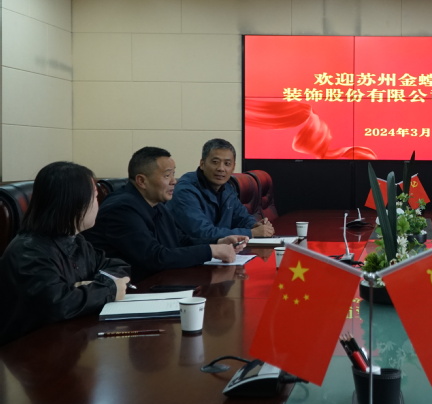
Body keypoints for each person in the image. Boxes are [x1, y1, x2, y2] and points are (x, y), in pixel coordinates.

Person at [0, 162, 131, 345]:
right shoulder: (29, 251)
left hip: (65, 341)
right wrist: (109, 289)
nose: (98, 204)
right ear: (74, 203)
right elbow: (59, 304)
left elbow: (116, 266)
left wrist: (93, 285)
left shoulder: (74, 240)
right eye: (94, 197)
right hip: (28, 351)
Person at [84, 147, 247, 282]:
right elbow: (155, 257)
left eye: (173, 174)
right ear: (142, 181)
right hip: (128, 292)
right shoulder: (121, 209)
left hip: (158, 282)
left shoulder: (157, 205)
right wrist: (211, 251)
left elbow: (180, 240)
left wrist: (218, 241)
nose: (174, 181)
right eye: (167, 175)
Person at [169, 138, 274, 242]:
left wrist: (255, 225)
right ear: (202, 164)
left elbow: (242, 217)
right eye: (215, 162)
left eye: (227, 164)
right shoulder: (186, 190)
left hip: (220, 250)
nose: (221, 168)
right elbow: (202, 233)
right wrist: (251, 233)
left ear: (233, 167)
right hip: (192, 250)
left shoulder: (228, 188)